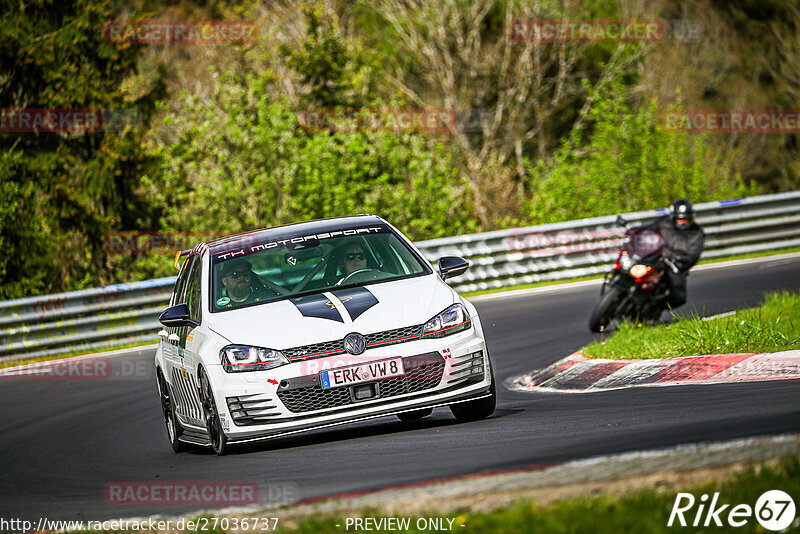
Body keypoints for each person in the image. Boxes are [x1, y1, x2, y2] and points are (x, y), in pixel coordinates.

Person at [645, 199, 705, 309]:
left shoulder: (697, 232)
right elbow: (647, 230)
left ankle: (653, 309)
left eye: (685, 219)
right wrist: (633, 232)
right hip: (655, 258)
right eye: (679, 219)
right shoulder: (663, 223)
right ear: (673, 216)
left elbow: (694, 255)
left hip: (675, 266)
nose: (682, 222)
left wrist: (683, 259)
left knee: (679, 297)